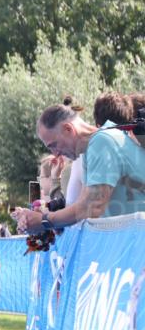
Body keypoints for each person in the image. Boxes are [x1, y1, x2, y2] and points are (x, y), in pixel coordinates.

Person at [16, 100, 145, 233]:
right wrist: (38, 216)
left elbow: (92, 207)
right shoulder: (95, 145)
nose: (55, 154)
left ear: (68, 129)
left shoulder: (102, 142)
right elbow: (80, 204)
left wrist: (44, 220)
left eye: (54, 145)